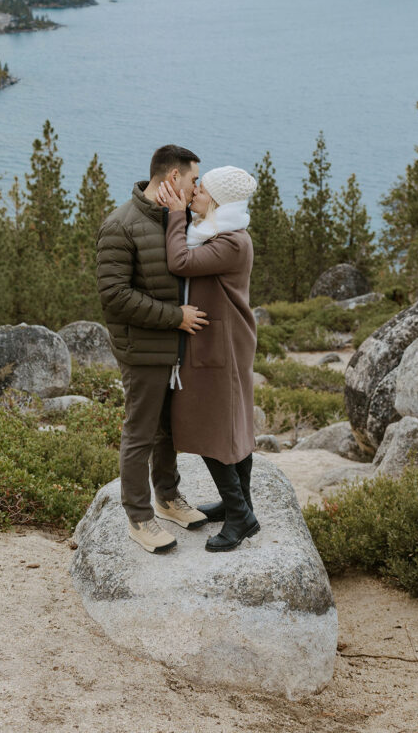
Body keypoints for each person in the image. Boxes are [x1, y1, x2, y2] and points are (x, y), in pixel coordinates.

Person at [96, 145, 210, 553]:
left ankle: (167, 498)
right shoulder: (121, 225)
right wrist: (173, 317)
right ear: (173, 177)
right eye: (194, 178)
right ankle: (139, 518)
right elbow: (113, 296)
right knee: (140, 433)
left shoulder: (174, 220)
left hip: (173, 348)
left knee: (167, 431)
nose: (198, 186)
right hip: (142, 348)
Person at [156, 165, 259, 552]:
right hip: (221, 341)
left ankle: (240, 517)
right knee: (232, 427)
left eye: (201, 189)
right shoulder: (219, 233)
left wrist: (176, 215)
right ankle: (240, 504)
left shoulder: (231, 241)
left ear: (215, 201)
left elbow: (180, 262)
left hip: (222, 345)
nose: (194, 190)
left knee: (213, 428)